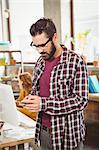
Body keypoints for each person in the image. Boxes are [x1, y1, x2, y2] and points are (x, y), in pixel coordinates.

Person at [21, 18, 88, 150]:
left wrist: (43, 104)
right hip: (44, 131)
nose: (40, 50)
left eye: (43, 45)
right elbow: (38, 93)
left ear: (55, 37)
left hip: (68, 134)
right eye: (36, 46)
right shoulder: (40, 62)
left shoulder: (75, 61)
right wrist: (31, 99)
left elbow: (81, 101)